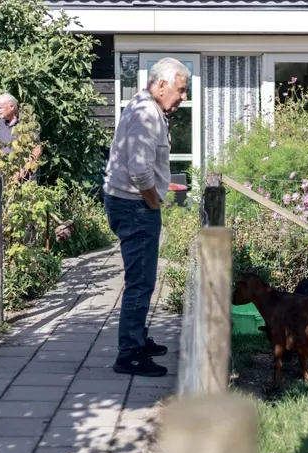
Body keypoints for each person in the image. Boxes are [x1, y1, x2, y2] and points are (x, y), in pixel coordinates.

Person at [103, 57, 190, 377]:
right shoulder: (145, 114)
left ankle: (137, 339)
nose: (183, 97)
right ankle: (129, 355)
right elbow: (140, 171)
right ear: (162, 84)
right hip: (135, 206)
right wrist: (154, 204)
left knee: (143, 279)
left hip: (128, 202)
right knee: (140, 282)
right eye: (181, 90)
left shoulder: (143, 106)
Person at [0, 92, 42, 181]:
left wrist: (23, 171)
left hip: (25, 177)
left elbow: (37, 148)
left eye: (0, 107)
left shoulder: (27, 122)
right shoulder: (1, 122)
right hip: (6, 173)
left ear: (11, 106)